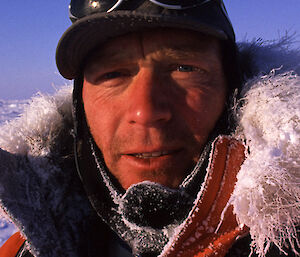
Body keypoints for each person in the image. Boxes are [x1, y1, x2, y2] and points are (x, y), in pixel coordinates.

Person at [0, 0, 299, 256]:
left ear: (234, 89)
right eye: (113, 74)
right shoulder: (24, 251)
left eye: (184, 68)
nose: (145, 111)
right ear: (80, 105)